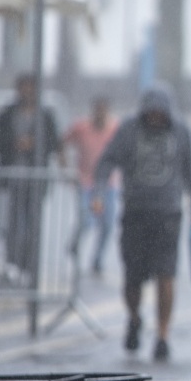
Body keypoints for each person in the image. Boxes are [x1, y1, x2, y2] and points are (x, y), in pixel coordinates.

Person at [93, 85, 191, 362]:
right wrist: (98, 193)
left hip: (168, 216)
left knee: (167, 276)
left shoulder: (181, 131)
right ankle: (134, 318)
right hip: (135, 215)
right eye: (150, 114)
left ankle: (163, 335)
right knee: (132, 278)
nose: (154, 118)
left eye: (159, 114)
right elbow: (106, 162)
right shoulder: (129, 130)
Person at [0, 75, 62, 279]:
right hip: (10, 179)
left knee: (32, 225)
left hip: (35, 181)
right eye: (23, 88)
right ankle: (12, 261)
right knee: (11, 224)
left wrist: (34, 144)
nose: (27, 93)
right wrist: (14, 143)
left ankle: (29, 265)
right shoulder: (7, 114)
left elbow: (54, 142)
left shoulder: (45, 116)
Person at [64, 97, 119, 275]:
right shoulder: (81, 128)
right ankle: (74, 247)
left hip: (107, 184)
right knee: (86, 220)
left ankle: (97, 259)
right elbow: (62, 143)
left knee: (107, 223)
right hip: (85, 182)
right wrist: (66, 168)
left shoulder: (115, 129)